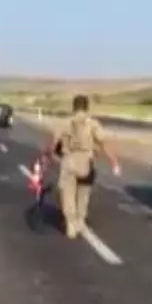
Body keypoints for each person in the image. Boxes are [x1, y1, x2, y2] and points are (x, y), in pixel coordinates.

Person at [43, 94, 120, 239]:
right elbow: (104, 143)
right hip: (86, 162)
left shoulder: (64, 123)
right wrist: (114, 162)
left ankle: (71, 224)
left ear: (74, 107)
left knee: (68, 194)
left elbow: (53, 143)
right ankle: (80, 220)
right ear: (86, 107)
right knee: (83, 194)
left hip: (69, 160)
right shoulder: (92, 124)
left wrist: (47, 157)